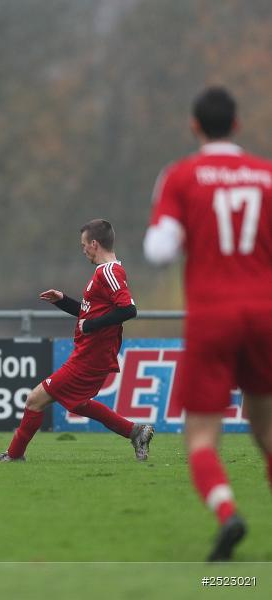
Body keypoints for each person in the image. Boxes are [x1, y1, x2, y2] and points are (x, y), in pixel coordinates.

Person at [145, 86, 272, 561]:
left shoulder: (182, 176)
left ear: (194, 126)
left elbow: (159, 249)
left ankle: (227, 512)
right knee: (267, 429)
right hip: (265, 313)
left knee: (201, 436)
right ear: (237, 125)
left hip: (212, 316)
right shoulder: (267, 175)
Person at [0, 220, 153, 463]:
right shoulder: (104, 273)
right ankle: (135, 431)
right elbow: (90, 313)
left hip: (91, 357)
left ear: (94, 244)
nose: (83, 249)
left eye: (84, 245)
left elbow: (128, 309)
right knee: (78, 404)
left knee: (34, 400)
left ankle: (14, 455)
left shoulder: (109, 271)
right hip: (89, 353)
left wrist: (90, 325)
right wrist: (63, 301)